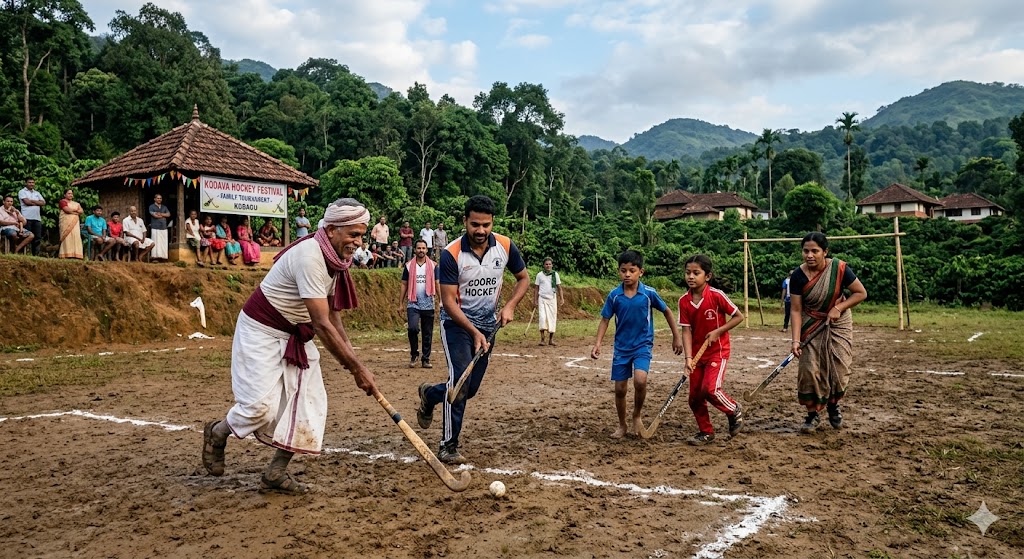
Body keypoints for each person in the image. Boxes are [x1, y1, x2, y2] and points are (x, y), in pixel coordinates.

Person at [201, 198, 377, 495]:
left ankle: (275, 472)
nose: (358, 242)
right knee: (259, 409)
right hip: (261, 330)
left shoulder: (337, 261)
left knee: (309, 403)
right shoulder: (310, 257)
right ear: (331, 230)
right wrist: (356, 369)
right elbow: (321, 324)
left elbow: (333, 317)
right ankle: (217, 432)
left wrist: (355, 360)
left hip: (294, 334)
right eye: (353, 234)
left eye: (361, 235)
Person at [415, 195, 530, 464]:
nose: (480, 230)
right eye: (475, 224)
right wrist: (473, 331)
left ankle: (430, 394)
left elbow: (523, 278)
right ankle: (448, 446)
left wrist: (510, 305)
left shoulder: (505, 246)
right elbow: (448, 301)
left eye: (486, 225)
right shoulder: (451, 254)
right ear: (465, 221)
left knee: (470, 388)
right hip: (456, 325)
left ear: (492, 223)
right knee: (460, 383)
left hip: (489, 326)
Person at [591, 250, 683, 439]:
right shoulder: (614, 296)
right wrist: (598, 343)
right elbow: (605, 319)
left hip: (642, 345)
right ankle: (622, 424)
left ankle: (637, 415)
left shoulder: (649, 293)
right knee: (620, 389)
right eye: (623, 270)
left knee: (640, 381)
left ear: (641, 272)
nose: (627, 274)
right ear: (619, 271)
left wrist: (676, 336)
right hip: (621, 348)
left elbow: (667, 311)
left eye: (631, 271)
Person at [790, 232, 867, 433]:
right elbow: (796, 310)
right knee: (809, 369)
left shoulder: (839, 269)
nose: (809, 255)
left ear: (825, 252)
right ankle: (812, 414)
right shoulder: (797, 276)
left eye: (815, 251)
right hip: (810, 321)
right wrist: (795, 341)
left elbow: (861, 293)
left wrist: (838, 308)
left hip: (838, 322)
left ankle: (833, 406)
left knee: (838, 367)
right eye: (806, 251)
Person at [677, 254, 745, 446]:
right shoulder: (683, 301)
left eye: (696, 273)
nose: (691, 276)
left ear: (707, 276)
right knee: (694, 398)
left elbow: (738, 317)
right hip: (697, 356)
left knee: (710, 389)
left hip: (717, 351)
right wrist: (688, 358)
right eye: (688, 273)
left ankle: (733, 409)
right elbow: (686, 331)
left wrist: (718, 331)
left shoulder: (716, 295)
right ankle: (706, 432)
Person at [402, 239, 441, 368]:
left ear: (427, 250)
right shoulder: (408, 266)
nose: (421, 250)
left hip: (428, 303)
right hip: (413, 303)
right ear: (415, 250)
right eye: (419, 248)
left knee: (427, 332)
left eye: (423, 248)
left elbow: (437, 283)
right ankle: (414, 355)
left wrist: (441, 300)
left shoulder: (433, 266)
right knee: (412, 328)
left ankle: (426, 359)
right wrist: (400, 303)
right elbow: (404, 284)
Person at [533, 258, 564, 346]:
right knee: (542, 318)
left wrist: (562, 298)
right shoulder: (539, 275)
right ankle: (542, 339)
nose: (548, 266)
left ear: (552, 265)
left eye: (549, 264)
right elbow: (536, 288)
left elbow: (559, 288)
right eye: (546, 264)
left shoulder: (555, 274)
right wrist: (535, 300)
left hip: (552, 299)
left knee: (552, 318)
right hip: (542, 299)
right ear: (544, 265)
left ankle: (551, 339)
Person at [18, 178, 45, 256]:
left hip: (37, 218)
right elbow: (27, 202)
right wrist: (37, 202)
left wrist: (32, 201)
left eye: (33, 182)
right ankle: (25, 254)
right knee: (27, 236)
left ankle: (36, 255)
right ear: (26, 183)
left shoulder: (37, 193)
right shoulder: (22, 192)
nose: (31, 184)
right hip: (26, 218)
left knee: (37, 237)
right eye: (29, 182)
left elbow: (43, 203)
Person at [57, 189, 84, 260]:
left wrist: (72, 211)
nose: (71, 195)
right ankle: (66, 254)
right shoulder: (62, 202)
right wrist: (76, 211)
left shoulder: (76, 203)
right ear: (64, 195)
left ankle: (76, 254)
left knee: (76, 236)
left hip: (75, 223)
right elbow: (67, 210)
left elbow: (81, 211)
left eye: (71, 194)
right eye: (69, 193)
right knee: (67, 237)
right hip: (65, 223)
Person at [148, 194, 171, 261]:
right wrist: (164, 215)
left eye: (160, 198)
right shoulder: (151, 206)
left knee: (163, 242)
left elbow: (168, 214)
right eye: (158, 198)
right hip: (155, 227)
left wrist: (160, 214)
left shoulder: (164, 207)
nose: (159, 199)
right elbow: (155, 215)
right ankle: (155, 257)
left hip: (163, 227)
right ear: (154, 199)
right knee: (156, 242)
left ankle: (163, 257)